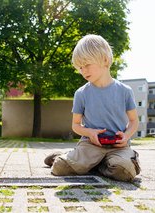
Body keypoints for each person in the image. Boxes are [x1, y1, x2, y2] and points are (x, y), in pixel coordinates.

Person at [44, 34, 141, 182]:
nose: (83, 71)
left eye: (87, 65)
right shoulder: (81, 93)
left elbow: (134, 121)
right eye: (80, 67)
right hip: (90, 145)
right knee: (59, 168)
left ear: (105, 60)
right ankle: (66, 156)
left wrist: (126, 136)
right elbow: (75, 125)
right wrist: (89, 132)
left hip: (118, 147)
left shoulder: (125, 91)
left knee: (124, 172)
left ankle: (98, 164)